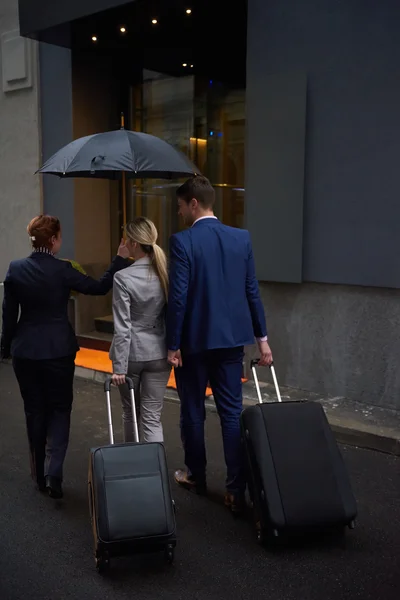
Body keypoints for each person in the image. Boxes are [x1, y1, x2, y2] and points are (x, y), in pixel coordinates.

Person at [0, 215, 129, 499]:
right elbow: (98, 287)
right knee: (60, 409)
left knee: (34, 410)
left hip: (26, 351)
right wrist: (118, 259)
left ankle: (38, 477)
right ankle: (54, 472)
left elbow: (8, 315)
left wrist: (5, 348)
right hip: (59, 350)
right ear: (54, 240)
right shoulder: (64, 270)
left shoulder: (16, 269)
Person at [167, 176, 273, 515]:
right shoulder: (240, 238)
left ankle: (196, 476)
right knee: (231, 413)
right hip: (231, 342)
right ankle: (234, 489)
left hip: (194, 343)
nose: (180, 211)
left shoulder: (182, 242)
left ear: (194, 203)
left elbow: (179, 297)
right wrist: (263, 340)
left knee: (193, 411)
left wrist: (173, 343)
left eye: (181, 205)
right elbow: (251, 291)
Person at [110, 217, 170, 444]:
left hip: (132, 355)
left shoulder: (123, 277)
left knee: (130, 413)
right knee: (152, 418)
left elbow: (123, 325)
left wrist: (119, 366)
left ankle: (133, 467)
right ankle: (156, 472)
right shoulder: (165, 272)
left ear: (134, 243)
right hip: (160, 351)